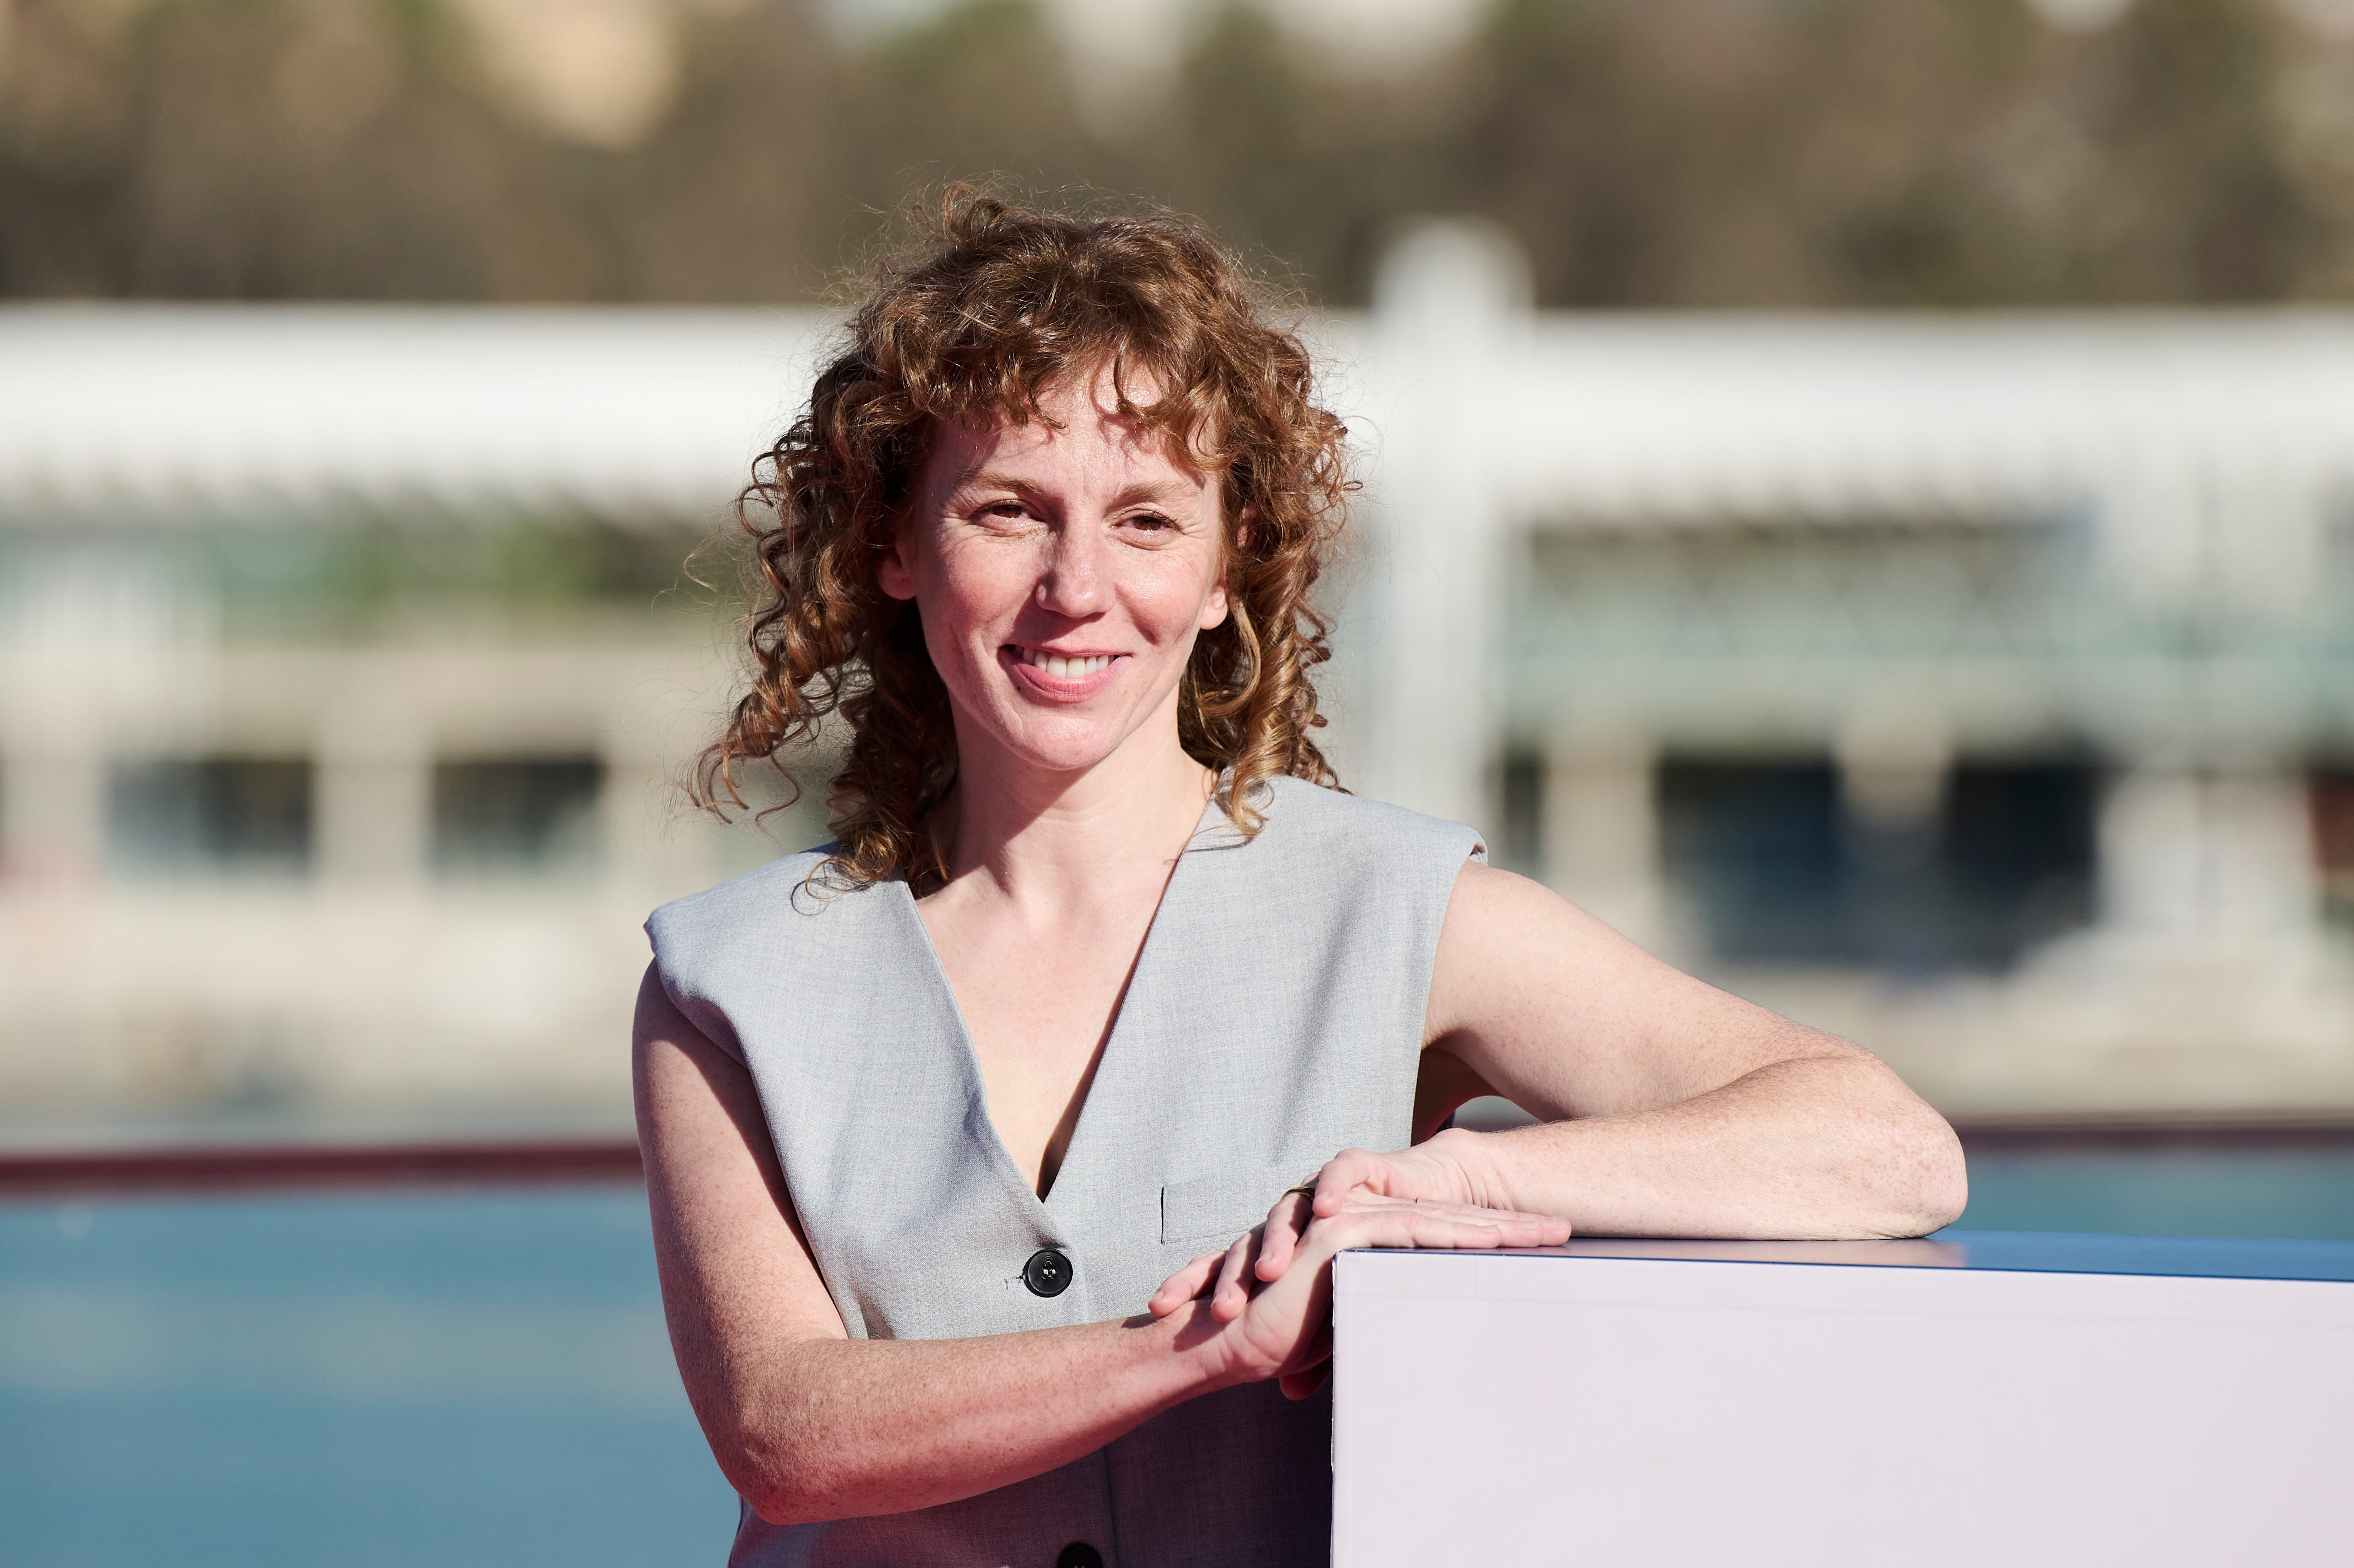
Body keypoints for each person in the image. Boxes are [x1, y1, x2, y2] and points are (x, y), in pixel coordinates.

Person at [634, 189, 1967, 1568]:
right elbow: (782, 1433)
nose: (1075, 586)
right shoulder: (729, 982)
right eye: (1009, 512)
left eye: (1146, 520)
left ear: (1229, 567)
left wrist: (1456, 1186)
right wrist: (1206, 1344)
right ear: (896, 549)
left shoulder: (1396, 913)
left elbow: (1886, 1147)